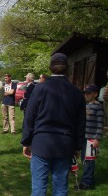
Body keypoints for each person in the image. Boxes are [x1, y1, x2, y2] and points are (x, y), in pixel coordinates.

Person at [21, 53, 86, 196]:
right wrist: (78, 146)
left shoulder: (40, 89)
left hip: (41, 143)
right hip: (64, 144)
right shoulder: (76, 92)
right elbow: (80, 123)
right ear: (67, 68)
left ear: (50, 68)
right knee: (61, 187)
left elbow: (29, 116)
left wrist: (26, 141)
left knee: (39, 188)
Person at [77, 84, 104, 190]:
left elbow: (100, 123)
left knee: (89, 160)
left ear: (95, 94)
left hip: (92, 138)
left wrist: (97, 138)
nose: (87, 95)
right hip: (84, 137)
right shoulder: (85, 106)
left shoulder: (98, 107)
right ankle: (88, 179)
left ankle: (87, 183)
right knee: (84, 159)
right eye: (85, 93)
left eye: (89, 93)